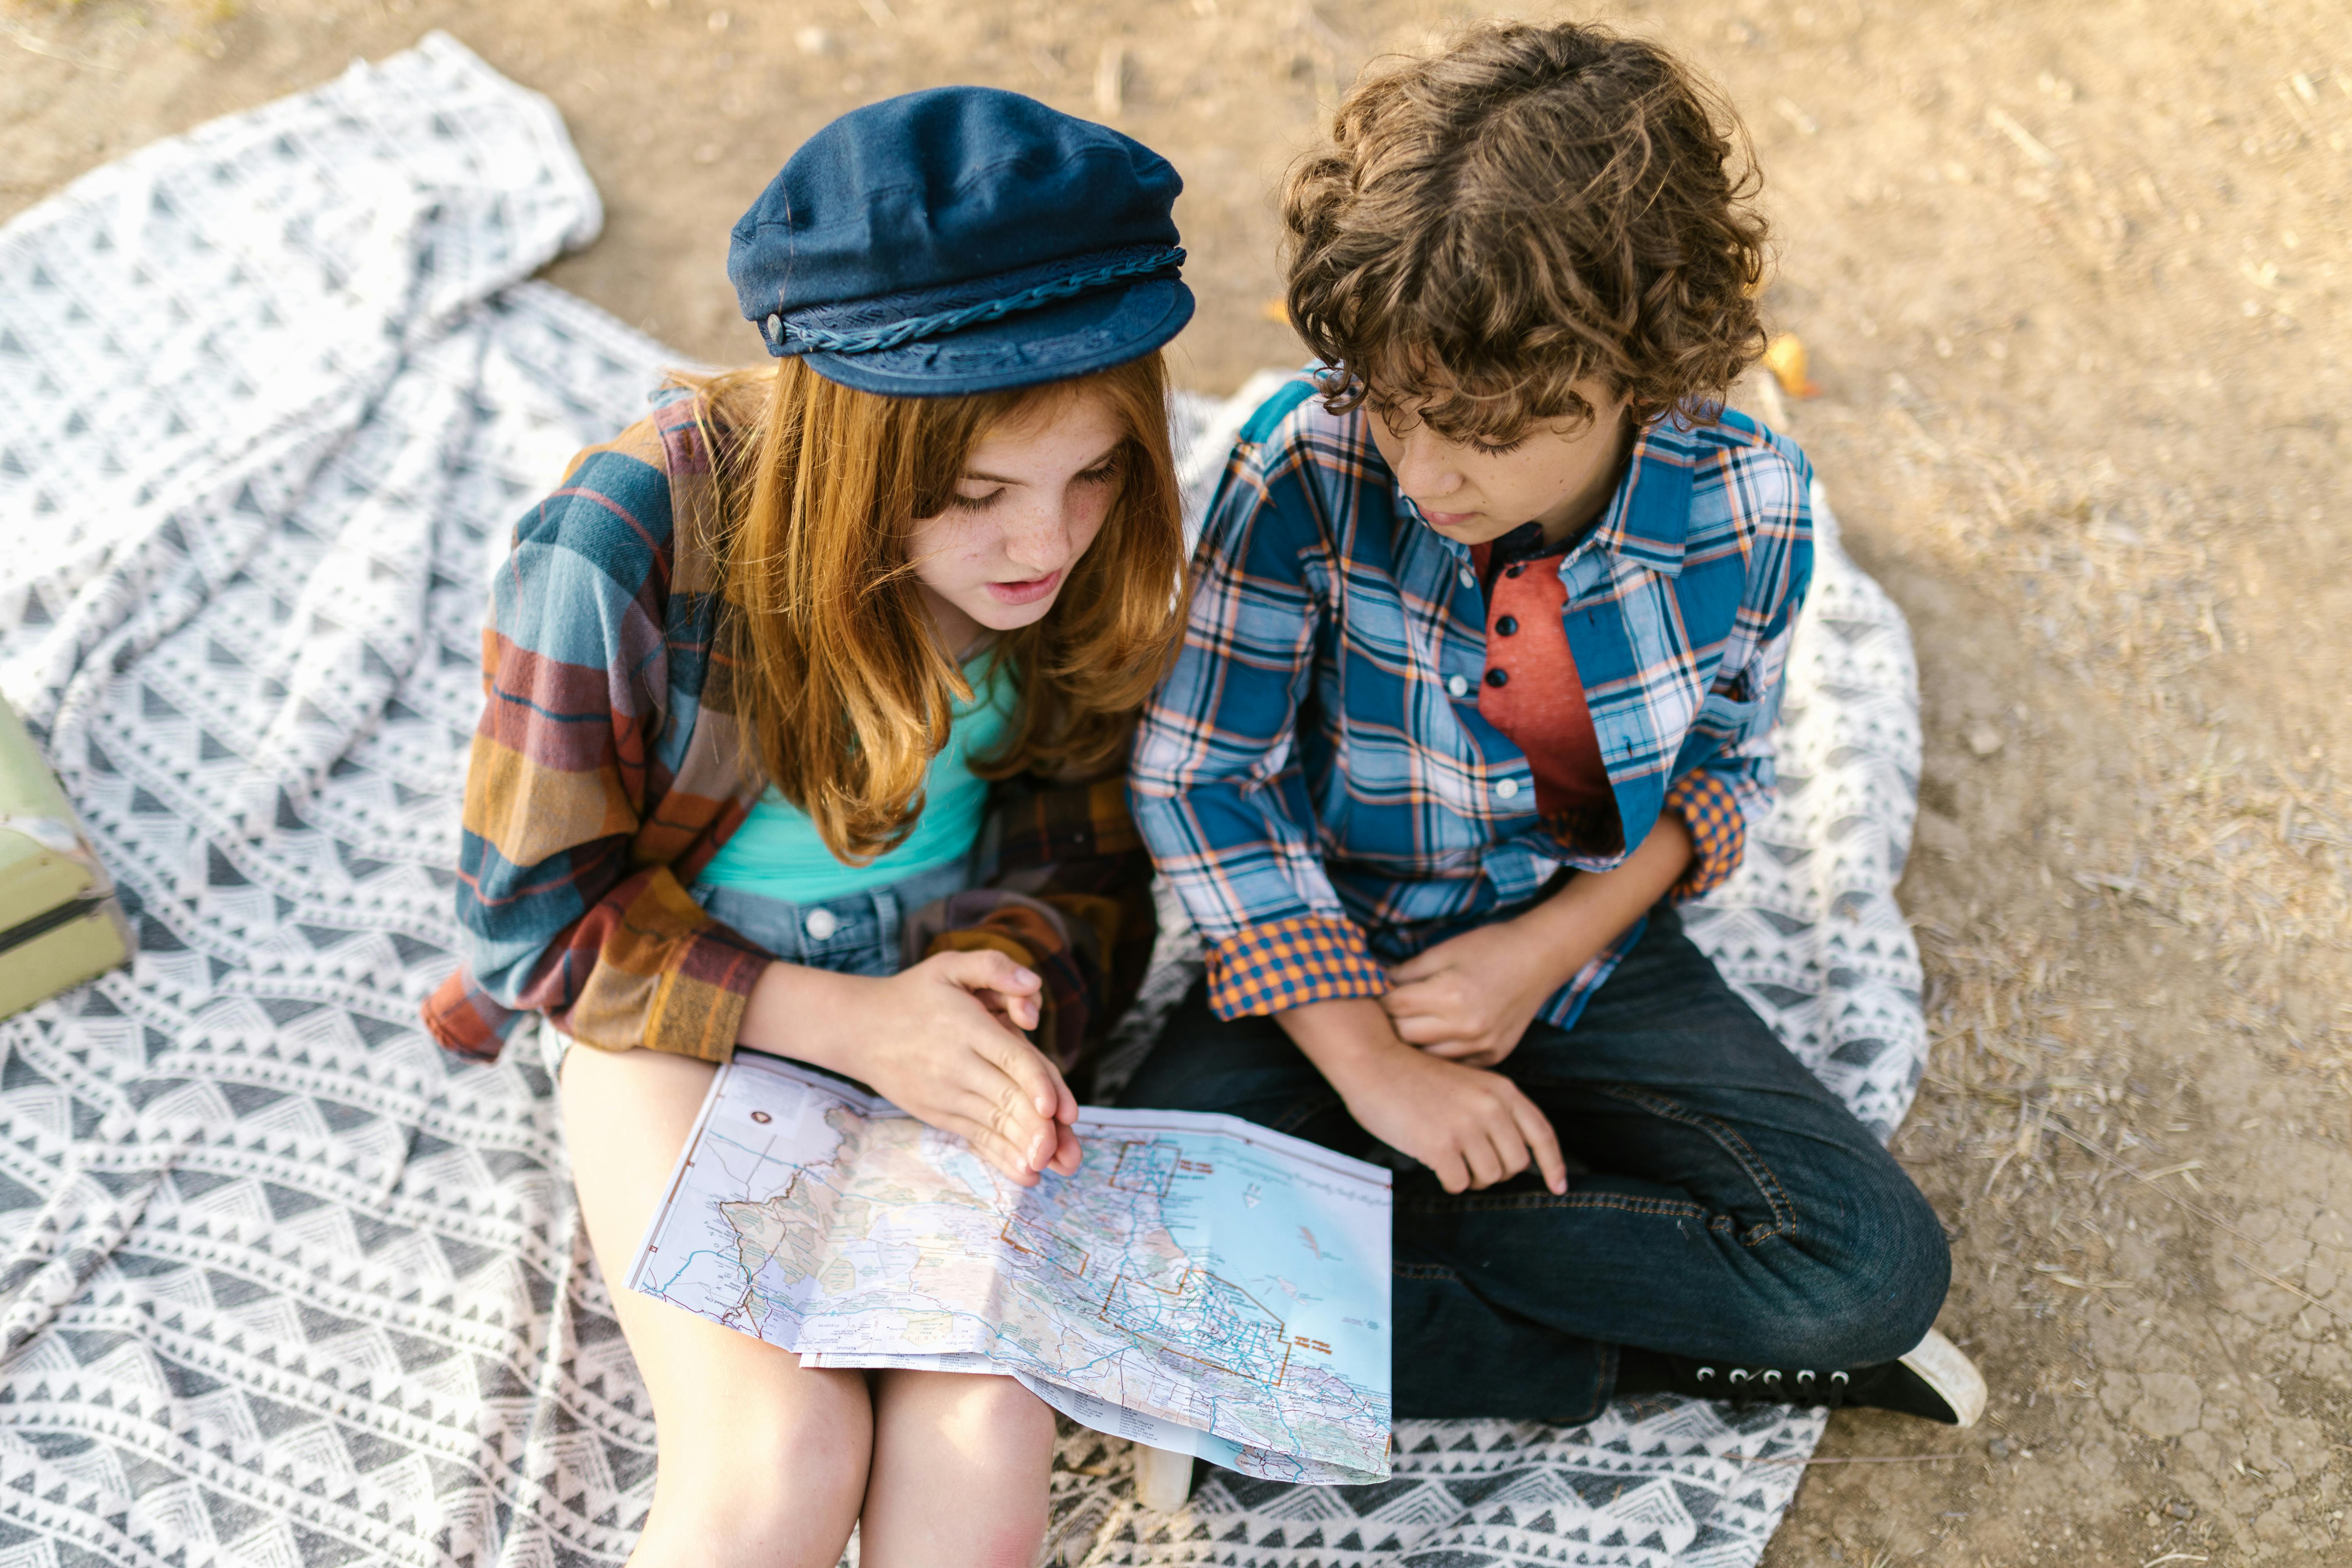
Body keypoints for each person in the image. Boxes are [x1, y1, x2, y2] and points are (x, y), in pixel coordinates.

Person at [1125, 21, 1984, 1430]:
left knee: (1868, 1279)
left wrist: (1536, 955)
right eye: (1393, 410)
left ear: (1639, 365)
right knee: (1132, 1251)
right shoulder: (1306, 465)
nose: (1423, 472)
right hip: (1331, 965)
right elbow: (1205, 772)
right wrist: (1376, 1070)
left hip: (1583, 951)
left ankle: (1370, 1263)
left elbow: (1719, 769)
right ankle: (1599, 1335)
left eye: (1480, 426)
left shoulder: (1748, 506)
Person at [421, 88, 1194, 1568]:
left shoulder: (1095, 553)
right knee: (780, 1449)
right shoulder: (625, 537)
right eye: (976, 498)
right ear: (857, 451)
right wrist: (845, 1022)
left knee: (981, 1434)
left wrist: (1003, 974)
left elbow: (1089, 864)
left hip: (944, 989)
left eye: (1092, 474)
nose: (1045, 543)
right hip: (675, 1010)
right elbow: (533, 921)